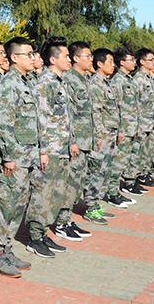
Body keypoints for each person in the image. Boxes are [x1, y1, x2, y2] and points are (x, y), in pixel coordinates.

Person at [0, 37, 38, 278]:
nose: (33, 58)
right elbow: (4, 124)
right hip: (13, 158)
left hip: (26, 157)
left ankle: (6, 247)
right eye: (28, 54)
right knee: (4, 205)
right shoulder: (9, 84)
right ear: (14, 57)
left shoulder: (25, 82)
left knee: (17, 206)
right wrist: (8, 156)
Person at [25, 36, 73, 259]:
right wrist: (42, 150)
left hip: (61, 149)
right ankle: (35, 237)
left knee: (56, 194)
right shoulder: (45, 83)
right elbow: (40, 120)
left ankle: (43, 232)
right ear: (53, 59)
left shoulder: (60, 82)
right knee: (43, 194)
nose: (70, 59)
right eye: (66, 56)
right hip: (50, 150)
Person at [55, 42, 95, 236]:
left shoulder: (83, 79)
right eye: (87, 56)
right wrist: (72, 141)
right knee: (70, 182)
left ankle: (67, 219)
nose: (91, 60)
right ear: (76, 58)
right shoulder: (69, 79)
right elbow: (68, 114)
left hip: (85, 140)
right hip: (75, 142)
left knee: (77, 183)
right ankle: (61, 223)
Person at [85, 48, 125, 215]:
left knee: (105, 173)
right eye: (110, 62)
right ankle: (90, 207)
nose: (113, 65)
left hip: (110, 136)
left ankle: (97, 204)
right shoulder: (95, 84)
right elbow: (95, 112)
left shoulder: (106, 82)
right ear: (99, 64)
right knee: (96, 173)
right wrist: (99, 136)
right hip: (102, 137)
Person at [111, 48, 146, 198]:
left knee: (126, 160)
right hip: (123, 130)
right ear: (121, 62)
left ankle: (120, 188)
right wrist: (120, 129)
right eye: (131, 60)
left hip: (131, 128)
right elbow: (116, 107)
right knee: (118, 162)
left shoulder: (128, 79)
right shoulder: (118, 81)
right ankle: (112, 192)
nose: (134, 63)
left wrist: (137, 126)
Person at [132, 48, 154, 189]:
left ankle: (142, 175)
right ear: (142, 61)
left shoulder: (149, 78)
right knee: (137, 154)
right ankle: (131, 181)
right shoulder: (138, 79)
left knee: (146, 153)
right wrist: (136, 125)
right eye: (151, 60)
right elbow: (134, 104)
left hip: (150, 123)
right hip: (142, 124)